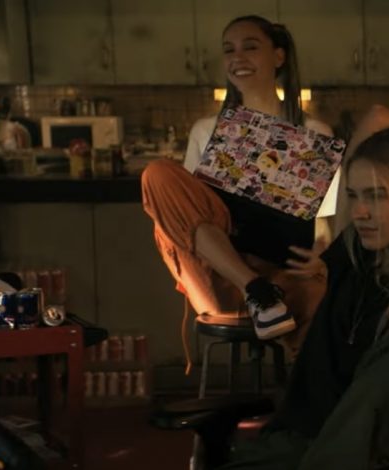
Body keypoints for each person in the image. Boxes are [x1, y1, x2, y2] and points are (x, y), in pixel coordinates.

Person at [219, 105, 389, 469]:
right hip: (302, 439)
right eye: (354, 195)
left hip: (373, 439)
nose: (359, 211)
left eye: (376, 195)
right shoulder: (353, 254)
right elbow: (375, 117)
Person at [140, 15, 334, 356]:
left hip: (282, 273)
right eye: (229, 50)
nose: (237, 57)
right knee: (156, 173)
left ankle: (302, 385)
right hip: (220, 276)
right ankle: (255, 291)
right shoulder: (206, 130)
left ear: (278, 56)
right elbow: (188, 217)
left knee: (320, 297)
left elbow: (324, 224)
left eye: (250, 47)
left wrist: (321, 254)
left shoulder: (313, 132)